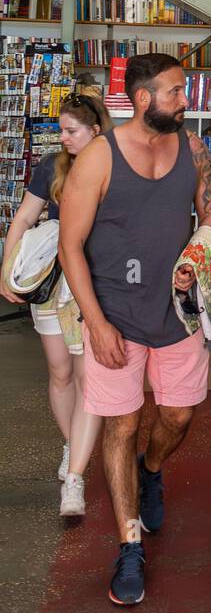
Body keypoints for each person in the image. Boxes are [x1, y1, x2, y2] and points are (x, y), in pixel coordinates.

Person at [58, 53, 211, 607]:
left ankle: (151, 471)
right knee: (122, 427)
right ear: (145, 98)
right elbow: (69, 247)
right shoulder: (98, 160)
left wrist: (200, 248)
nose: (186, 100)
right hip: (116, 318)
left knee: (177, 415)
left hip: (178, 314)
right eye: (177, 92)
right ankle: (129, 545)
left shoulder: (193, 149)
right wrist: (97, 323)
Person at [1, 90, 111, 518]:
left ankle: (76, 475)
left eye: (70, 130)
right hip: (49, 281)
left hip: (90, 284)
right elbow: (25, 217)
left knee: (89, 379)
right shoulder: (52, 166)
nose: (62, 137)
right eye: (61, 129)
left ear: (95, 131)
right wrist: (9, 267)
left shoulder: (112, 167)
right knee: (60, 372)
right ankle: (72, 447)